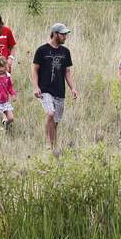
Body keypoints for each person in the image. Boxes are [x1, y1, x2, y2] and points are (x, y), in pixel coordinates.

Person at [32, 23, 78, 151]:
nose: (65, 37)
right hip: (45, 90)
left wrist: (73, 88)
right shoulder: (42, 50)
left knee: (55, 122)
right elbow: (35, 70)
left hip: (60, 91)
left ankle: (52, 146)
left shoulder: (65, 52)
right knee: (50, 113)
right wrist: (35, 87)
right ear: (55, 34)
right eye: (63, 34)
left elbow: (67, 72)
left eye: (66, 34)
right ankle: (48, 143)